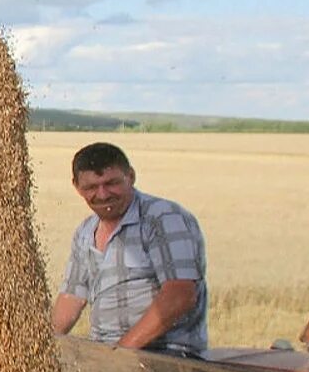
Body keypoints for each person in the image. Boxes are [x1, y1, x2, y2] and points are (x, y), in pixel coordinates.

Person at [50, 141, 208, 356]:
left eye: (111, 183)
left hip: (165, 353)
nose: (103, 194)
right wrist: (40, 348)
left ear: (131, 176)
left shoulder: (162, 218)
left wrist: (120, 354)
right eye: (91, 187)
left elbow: (179, 295)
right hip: (106, 351)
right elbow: (72, 297)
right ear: (76, 187)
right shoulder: (85, 231)